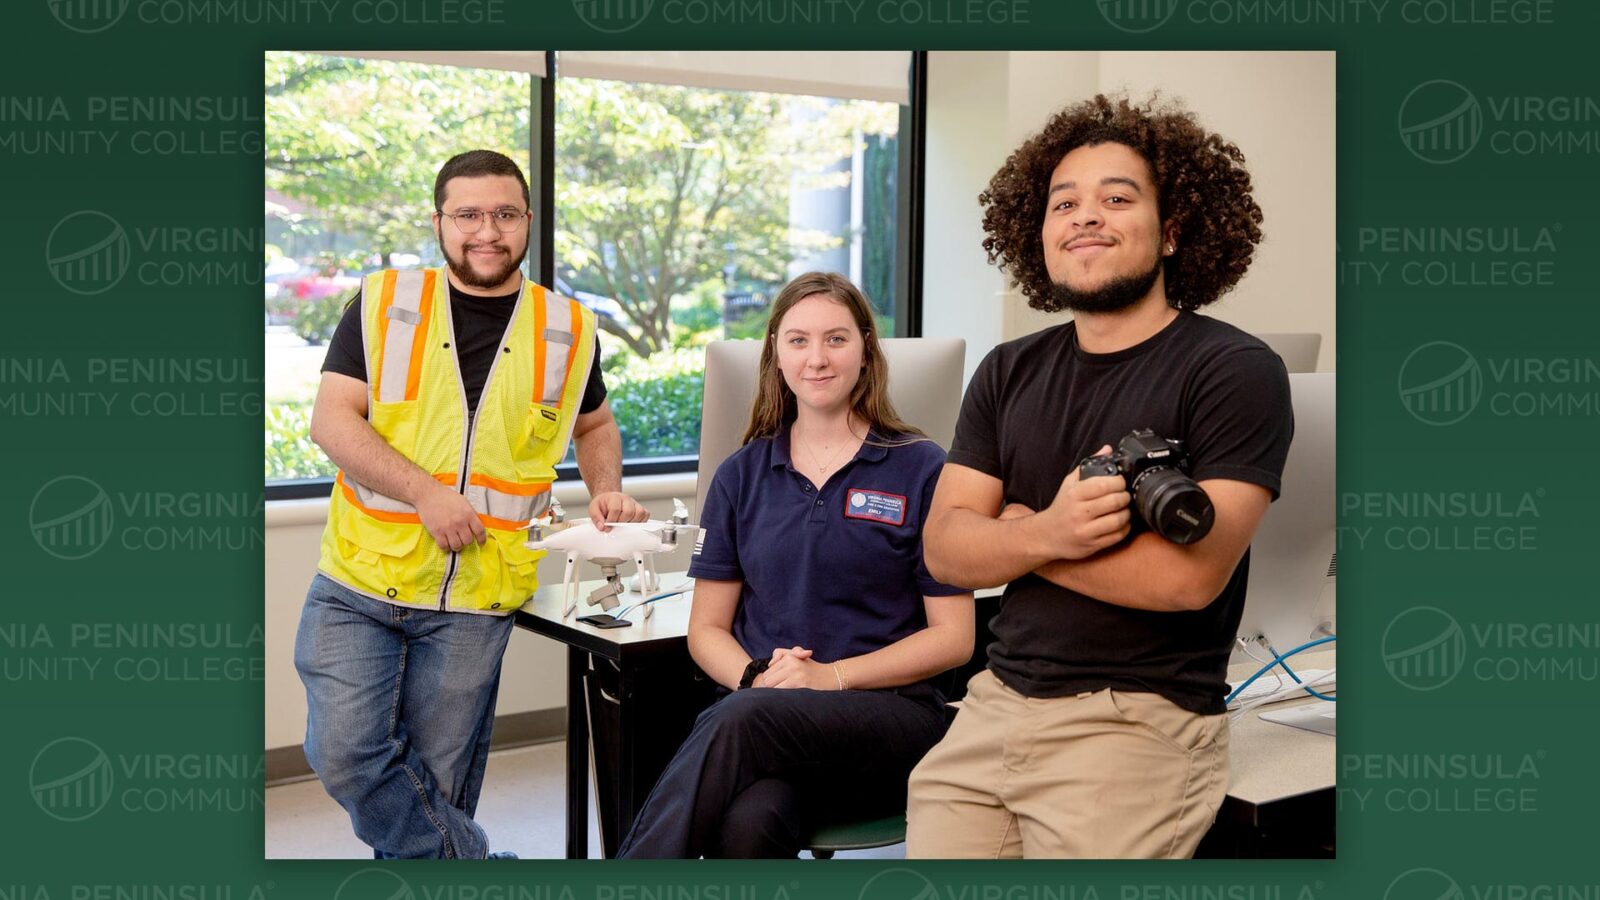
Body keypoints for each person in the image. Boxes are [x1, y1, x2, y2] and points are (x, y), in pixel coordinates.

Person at [906, 94, 1295, 859]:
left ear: (1174, 229)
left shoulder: (1233, 370)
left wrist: (1020, 535)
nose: (1086, 216)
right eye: (1064, 203)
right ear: (1038, 232)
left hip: (1135, 724)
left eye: (1118, 198)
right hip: (991, 709)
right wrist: (1052, 529)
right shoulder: (1007, 371)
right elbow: (946, 550)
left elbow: (1188, 580)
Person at [293, 149, 648, 859]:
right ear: (439, 222)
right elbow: (332, 421)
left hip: (477, 597)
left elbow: (595, 423)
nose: (488, 230)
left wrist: (605, 486)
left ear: (528, 221)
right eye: (469, 214)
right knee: (344, 753)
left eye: (505, 214)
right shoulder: (384, 302)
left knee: (439, 788)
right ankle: (479, 866)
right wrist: (426, 493)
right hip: (359, 579)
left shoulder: (569, 326)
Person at [618, 272, 975, 859]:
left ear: (865, 351)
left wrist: (827, 678)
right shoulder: (740, 475)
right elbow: (706, 629)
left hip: (891, 719)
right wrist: (760, 681)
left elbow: (955, 639)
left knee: (742, 719)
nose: (817, 359)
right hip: (769, 723)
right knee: (748, 824)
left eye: (836, 339)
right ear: (775, 356)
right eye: (798, 340)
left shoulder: (922, 469)